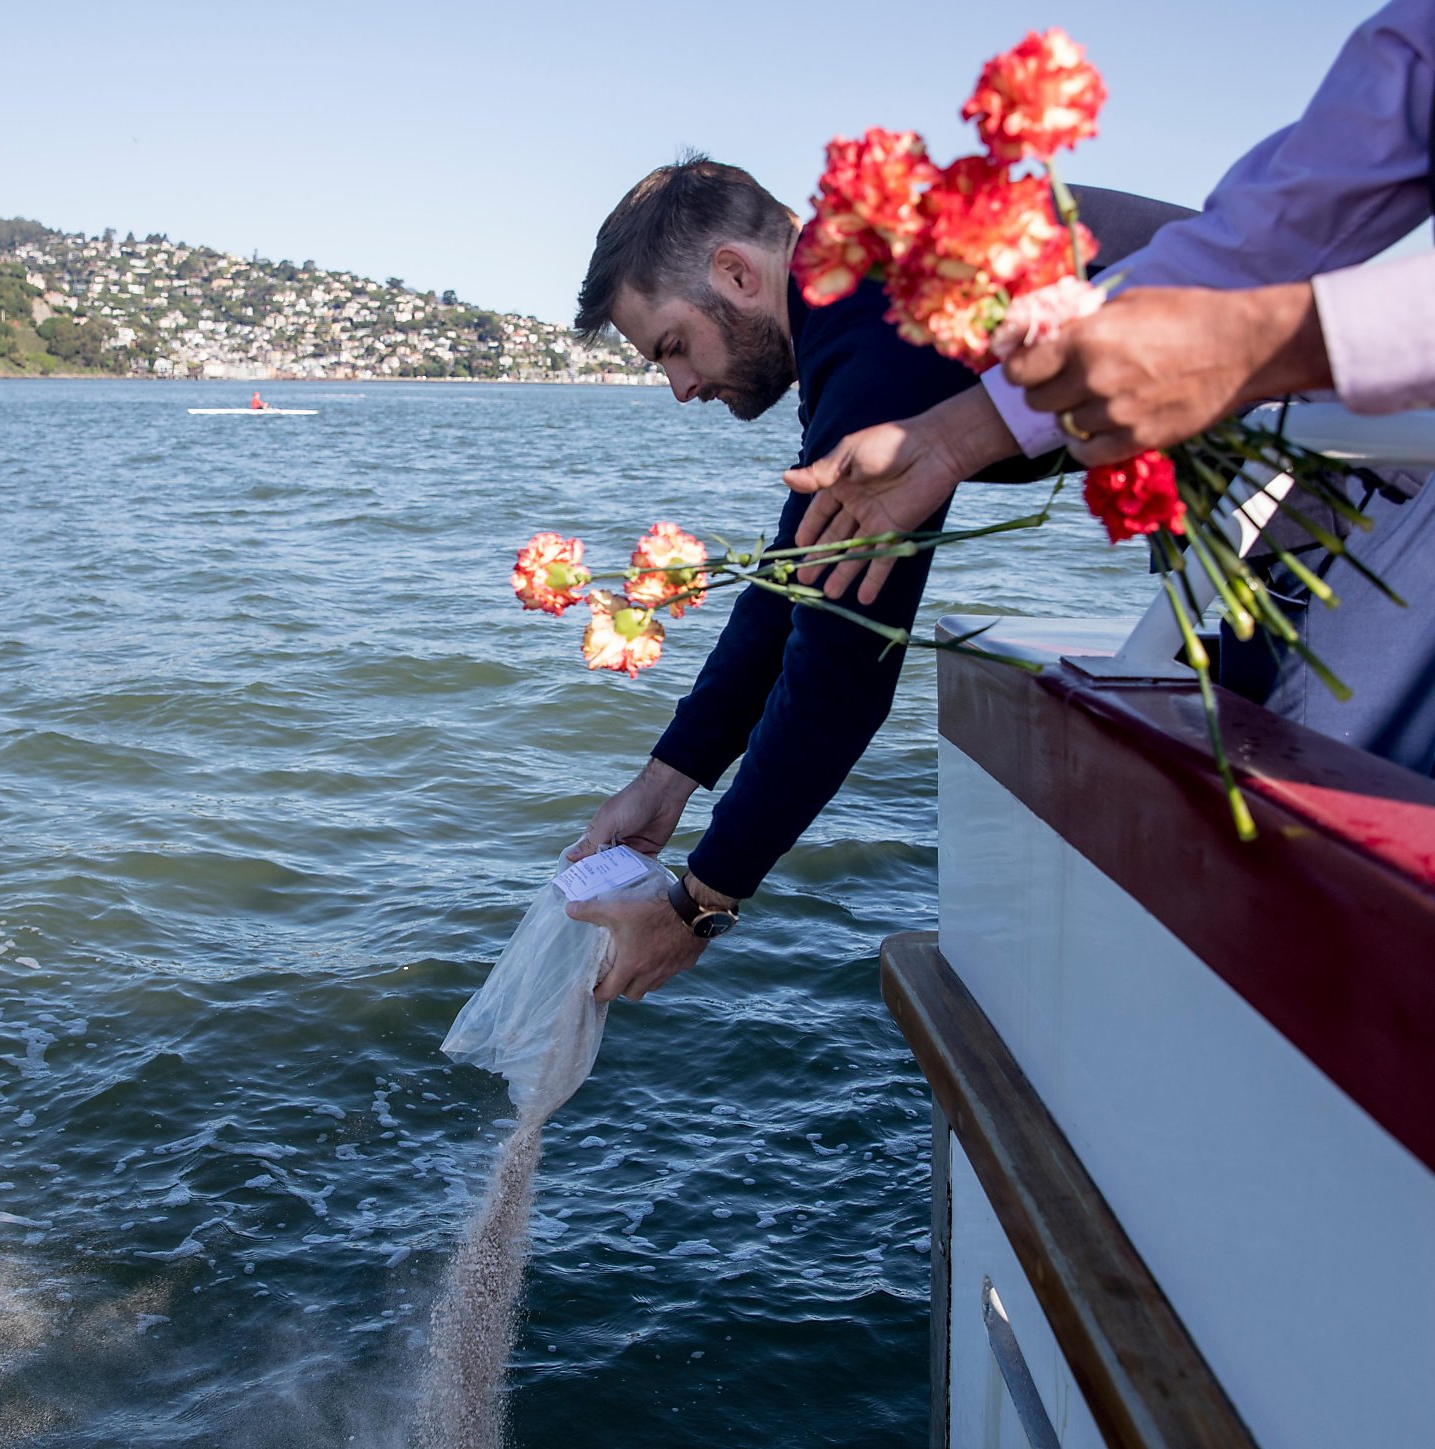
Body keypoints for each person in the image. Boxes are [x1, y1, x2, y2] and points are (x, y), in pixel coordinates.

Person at [560, 156, 1190, 1002]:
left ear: (737, 273)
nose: (679, 386)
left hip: (1334, 440)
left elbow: (841, 669)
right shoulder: (856, 285)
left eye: (672, 346)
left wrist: (698, 905)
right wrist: (667, 778)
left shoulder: (872, 319)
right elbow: (797, 577)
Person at [785, 0, 1435, 768]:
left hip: (1376, 476)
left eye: (673, 348)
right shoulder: (1408, 37)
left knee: (1332, 766)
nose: (682, 387)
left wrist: (1248, 346)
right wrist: (950, 441)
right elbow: (1263, 235)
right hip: (1309, 494)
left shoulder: (849, 323)